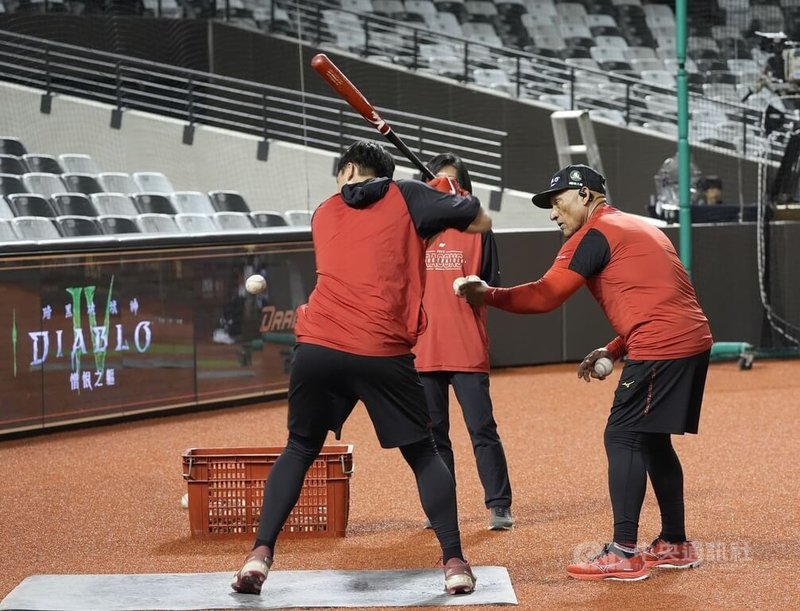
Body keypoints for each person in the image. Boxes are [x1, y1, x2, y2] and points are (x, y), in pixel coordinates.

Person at [231, 140, 492, 596]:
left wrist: (433, 200)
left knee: (298, 448)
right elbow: (479, 219)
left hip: (319, 348)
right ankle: (453, 561)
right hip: (380, 348)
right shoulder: (409, 195)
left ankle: (258, 555)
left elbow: (387, 233)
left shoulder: (324, 211)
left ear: (349, 169)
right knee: (424, 454)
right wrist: (448, 192)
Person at [458, 164, 713, 581]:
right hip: (691, 338)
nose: (553, 213)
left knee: (623, 435)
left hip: (662, 346)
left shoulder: (593, 235)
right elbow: (662, 297)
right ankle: (674, 544)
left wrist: (488, 295)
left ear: (585, 195)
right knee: (650, 440)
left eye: (557, 202)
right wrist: (615, 347)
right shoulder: (635, 226)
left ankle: (624, 553)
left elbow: (545, 296)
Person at [413, 152, 514, 531]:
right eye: (437, 183)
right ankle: (441, 509)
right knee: (433, 436)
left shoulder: (479, 230)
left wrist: (477, 289)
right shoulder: (413, 230)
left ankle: (499, 505)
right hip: (423, 350)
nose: (446, 189)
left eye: (453, 183)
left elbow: (491, 286)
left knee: (482, 429)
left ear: (465, 190)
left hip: (466, 347)